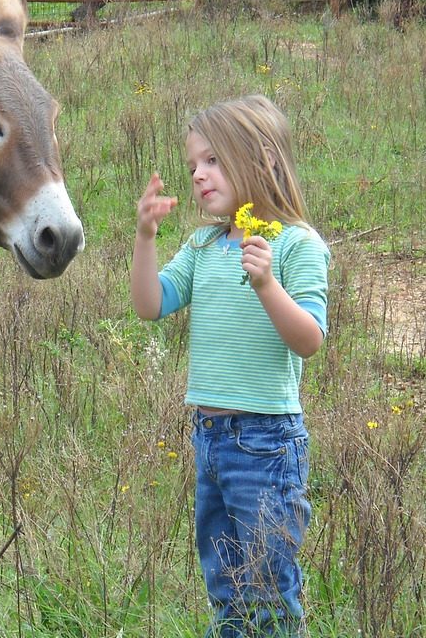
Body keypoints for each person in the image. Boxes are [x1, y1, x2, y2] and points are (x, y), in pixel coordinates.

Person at [130, 94, 330, 636]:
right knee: (226, 587)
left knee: (268, 590)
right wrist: (145, 237)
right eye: (193, 164)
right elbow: (151, 305)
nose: (198, 174)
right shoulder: (204, 246)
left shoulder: (294, 244)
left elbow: (309, 338)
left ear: (263, 158)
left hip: (266, 443)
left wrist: (266, 283)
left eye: (213, 159)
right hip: (210, 439)